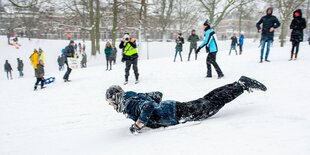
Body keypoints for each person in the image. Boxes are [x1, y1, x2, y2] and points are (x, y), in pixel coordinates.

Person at [105, 76, 267, 134]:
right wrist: (154, 111)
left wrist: (139, 124)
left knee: (210, 105)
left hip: (175, 113)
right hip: (172, 107)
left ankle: (241, 86)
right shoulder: (131, 96)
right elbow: (156, 96)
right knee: (207, 100)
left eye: (111, 103)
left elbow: (147, 106)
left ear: (117, 98)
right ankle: (237, 83)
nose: (112, 107)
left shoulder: (128, 103)